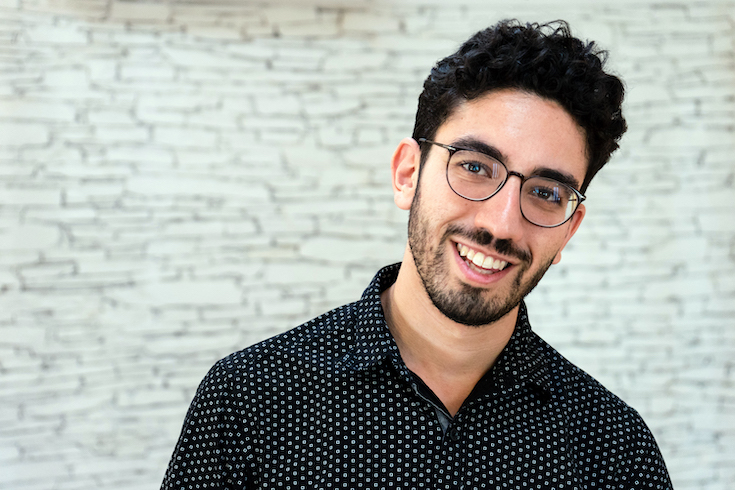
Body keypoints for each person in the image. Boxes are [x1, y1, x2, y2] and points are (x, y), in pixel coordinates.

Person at [162, 20, 672, 489]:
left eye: (544, 193)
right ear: (408, 174)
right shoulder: (250, 402)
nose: (500, 223)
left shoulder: (616, 453)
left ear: (568, 229)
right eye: (475, 167)